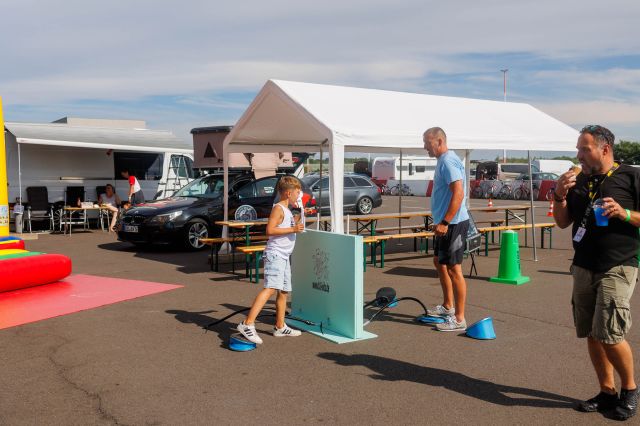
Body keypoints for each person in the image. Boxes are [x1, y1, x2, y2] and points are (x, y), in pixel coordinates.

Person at [553, 125, 639, 421]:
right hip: (583, 264)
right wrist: (559, 195)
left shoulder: (631, 175)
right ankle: (606, 392)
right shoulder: (579, 181)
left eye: (583, 149)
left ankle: (629, 390)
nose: (578, 154)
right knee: (591, 331)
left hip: (618, 263)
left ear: (604, 149)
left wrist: (625, 213)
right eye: (578, 148)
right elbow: (563, 223)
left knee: (610, 334)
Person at [237, 176, 306, 344]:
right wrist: (293, 228)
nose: (299, 196)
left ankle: (280, 326)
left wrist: (297, 218)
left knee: (283, 291)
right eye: (298, 193)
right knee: (270, 288)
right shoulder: (278, 209)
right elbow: (270, 230)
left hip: (284, 256)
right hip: (275, 255)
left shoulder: (288, 209)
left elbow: (290, 228)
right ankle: (247, 324)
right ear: (288, 193)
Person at [423, 127, 470, 332]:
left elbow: (458, 194)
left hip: (453, 223)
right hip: (445, 222)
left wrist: (445, 222)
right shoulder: (443, 161)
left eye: (427, 142)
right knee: (439, 262)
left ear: (439, 141)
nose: (424, 146)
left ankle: (459, 319)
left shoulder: (448, 161)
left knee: (453, 268)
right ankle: (447, 306)